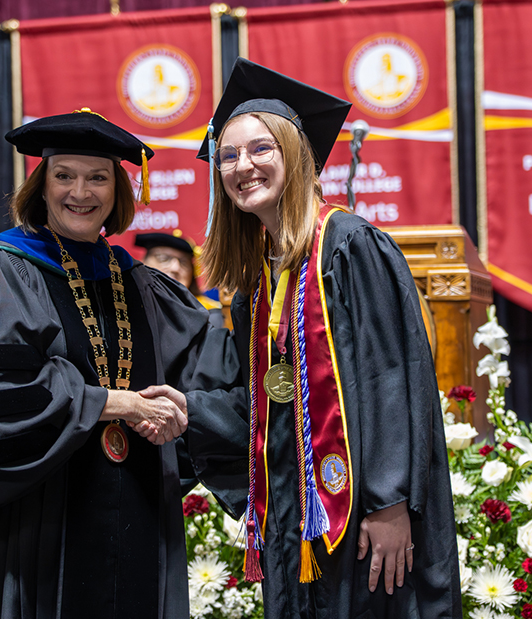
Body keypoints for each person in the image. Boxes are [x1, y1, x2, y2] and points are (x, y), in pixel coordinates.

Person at [0, 110, 232, 619]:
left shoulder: (143, 285)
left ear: (118, 191)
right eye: (64, 175)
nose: (79, 192)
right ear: (42, 186)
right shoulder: (4, 269)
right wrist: (116, 403)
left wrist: (183, 411)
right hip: (36, 517)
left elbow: (206, 373)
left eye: (98, 177)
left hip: (137, 506)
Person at [183, 58, 461, 619]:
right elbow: (266, 404)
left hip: (363, 515)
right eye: (229, 155)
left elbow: (393, 376)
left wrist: (390, 503)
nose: (243, 166)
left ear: (296, 154)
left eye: (261, 149)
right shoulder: (256, 283)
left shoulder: (350, 246)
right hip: (293, 518)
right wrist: (183, 411)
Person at [135, 231, 224, 327]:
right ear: (142, 263)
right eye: (163, 258)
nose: (175, 268)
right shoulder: (127, 306)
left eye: (183, 262)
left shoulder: (212, 315)